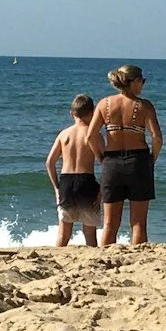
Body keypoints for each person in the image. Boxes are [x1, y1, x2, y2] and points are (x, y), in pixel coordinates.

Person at [89, 64, 162, 245]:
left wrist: (101, 158)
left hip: (112, 162)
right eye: (142, 81)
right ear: (134, 81)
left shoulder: (104, 104)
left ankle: (104, 261)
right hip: (138, 160)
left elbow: (90, 136)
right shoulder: (144, 105)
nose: (143, 85)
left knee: (110, 223)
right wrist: (153, 158)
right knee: (138, 223)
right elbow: (157, 137)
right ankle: (138, 260)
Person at [45, 94, 103, 248]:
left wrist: (57, 188)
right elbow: (106, 165)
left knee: (64, 233)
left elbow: (49, 162)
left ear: (72, 113)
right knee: (90, 234)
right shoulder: (94, 135)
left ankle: (56, 260)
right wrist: (101, 190)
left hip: (66, 182)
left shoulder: (64, 134)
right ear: (92, 112)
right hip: (86, 182)